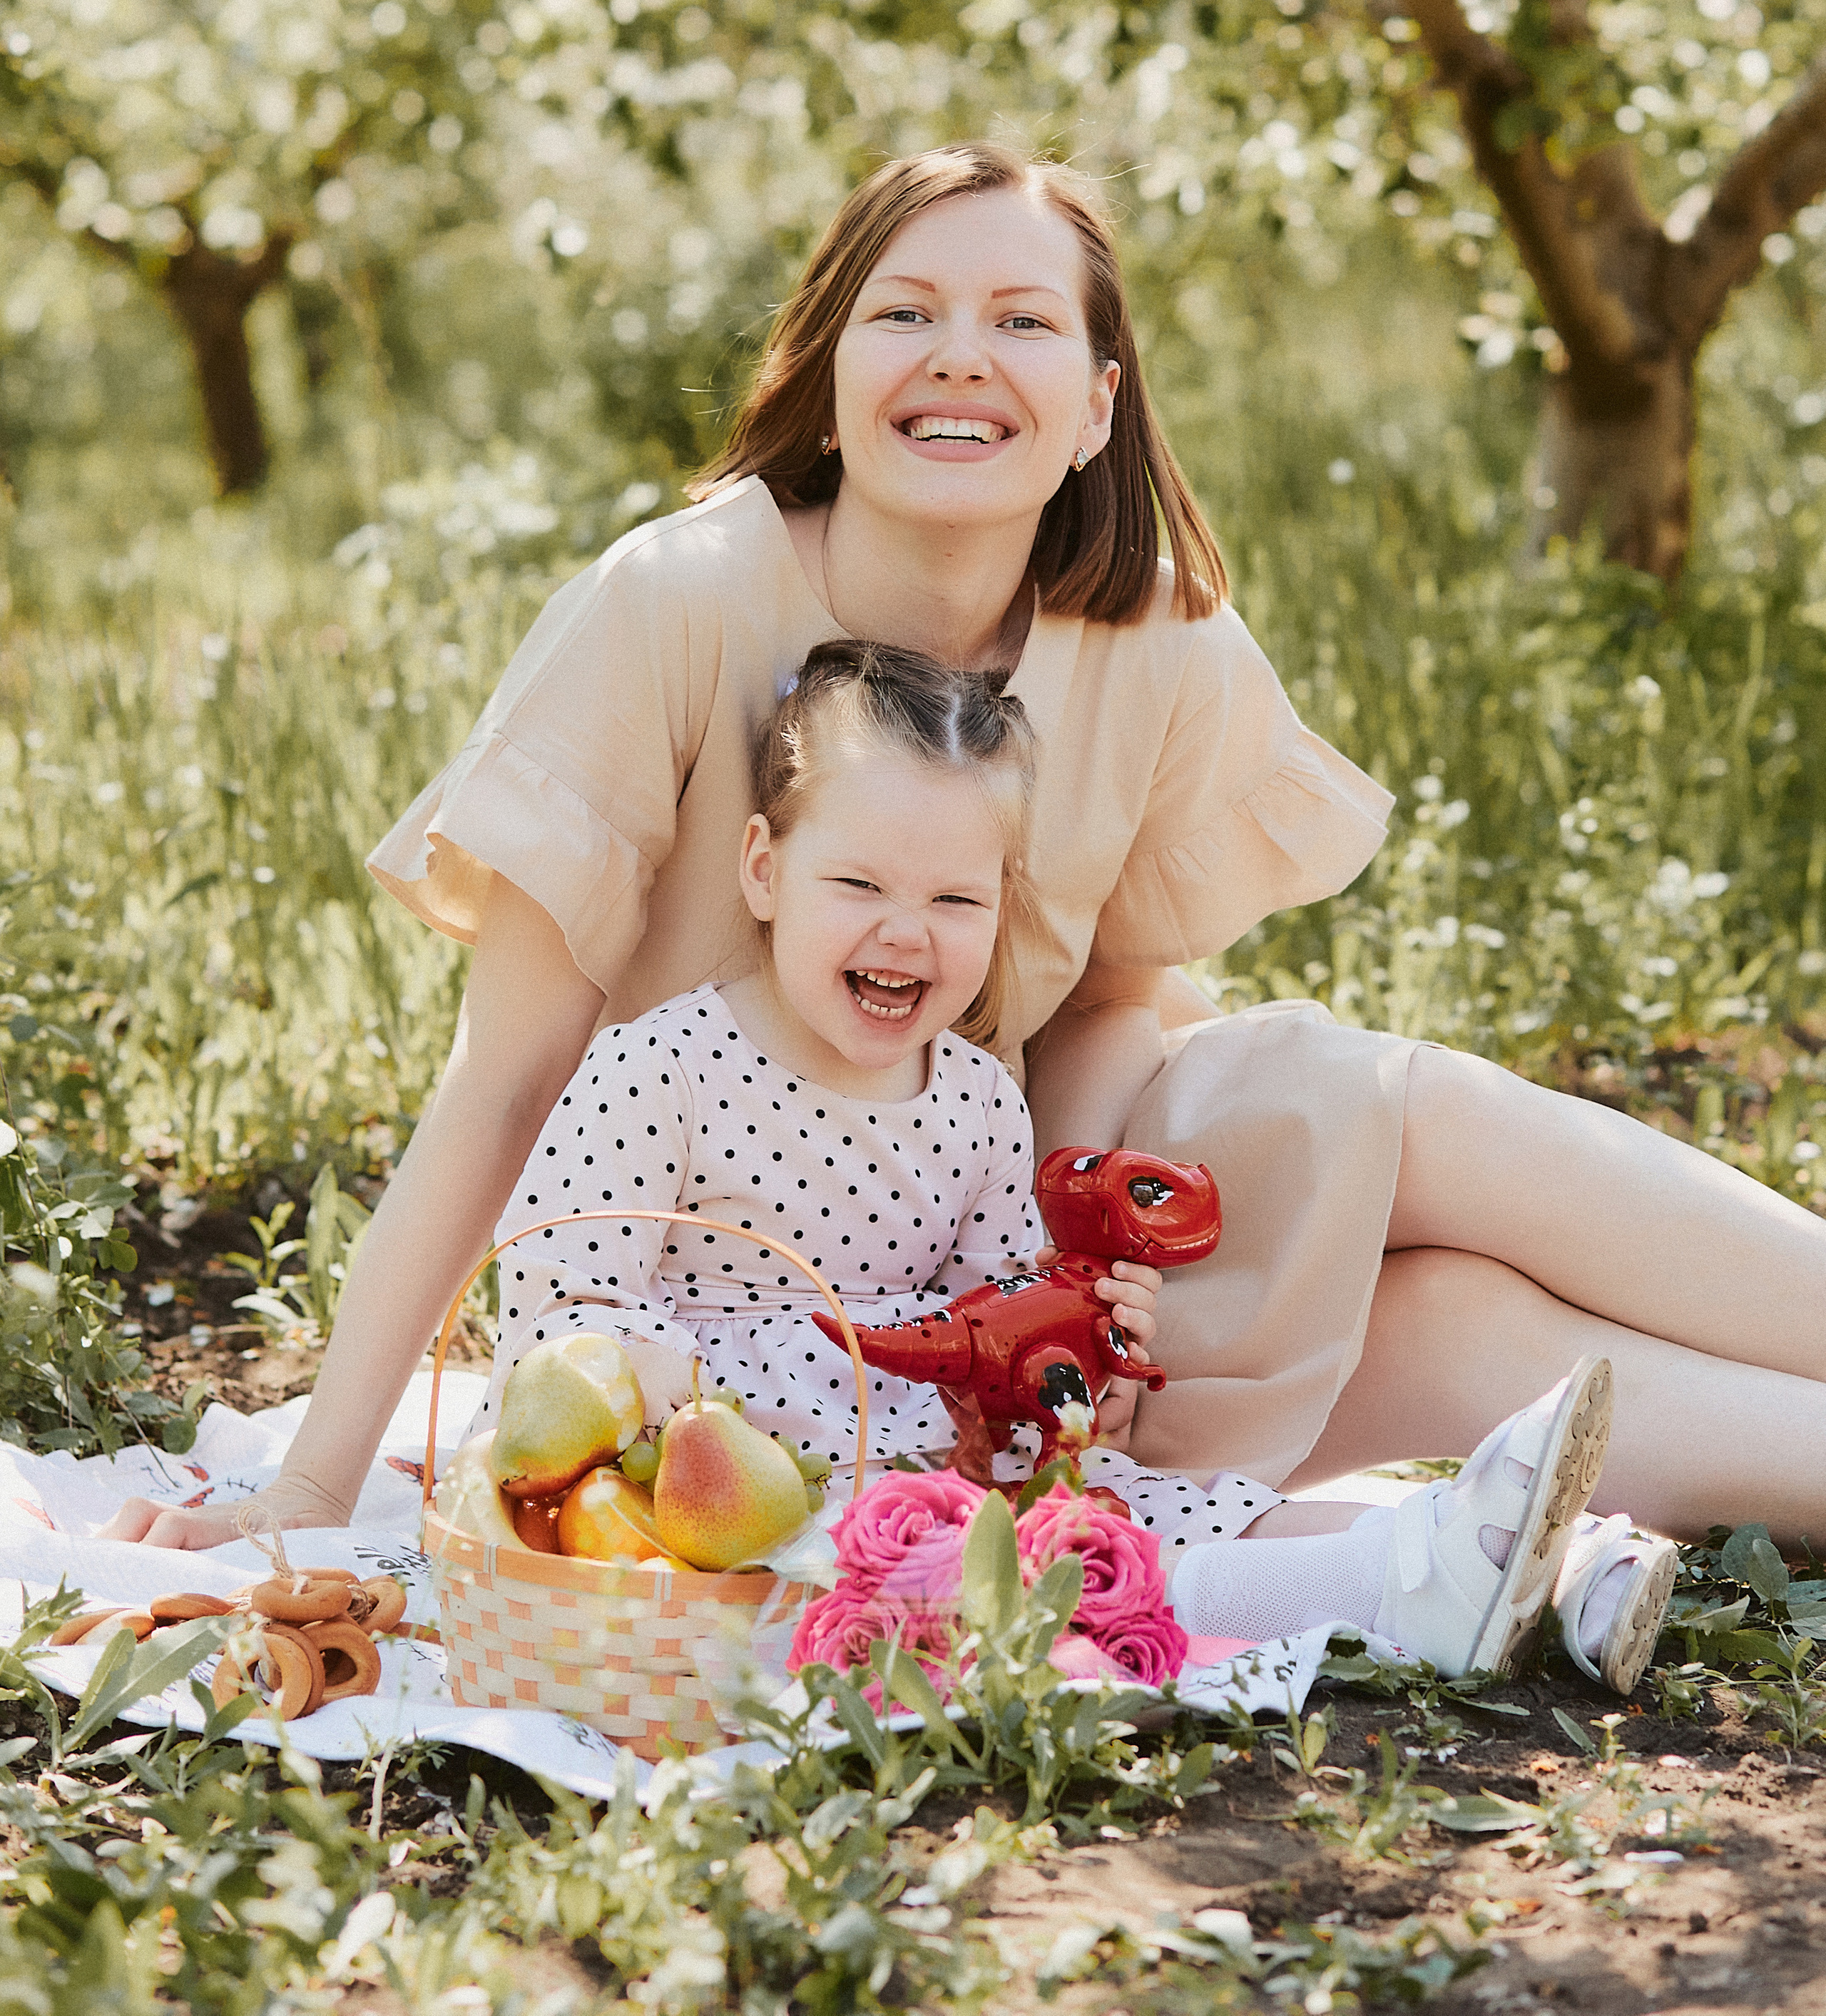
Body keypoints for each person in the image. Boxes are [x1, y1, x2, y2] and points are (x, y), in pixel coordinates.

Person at [106, 142, 1826, 1585]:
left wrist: (1059, 1302)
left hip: (1003, 1202)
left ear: (1094, 406)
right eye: (905, 314)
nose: (958, 356)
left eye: (1020, 322)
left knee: (1388, 1106)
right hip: (769, 1278)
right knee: (1456, 1336)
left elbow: (1120, 999)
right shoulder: (676, 607)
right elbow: (504, 1082)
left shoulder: (1157, 640)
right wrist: (313, 1489)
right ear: (830, 377)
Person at [481, 633, 1636, 1684]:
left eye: (954, 898)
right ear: (763, 869)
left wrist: (1090, 1352)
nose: (905, 930)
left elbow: (1011, 1333)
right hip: (740, 1505)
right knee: (1019, 1573)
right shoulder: (662, 1070)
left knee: (1164, 1505)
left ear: (999, 907)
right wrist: (731, 1404)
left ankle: (1551, 1568)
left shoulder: (979, 1100)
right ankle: (1415, 1571)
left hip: (965, 1464)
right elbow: (555, 1325)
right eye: (860, 884)